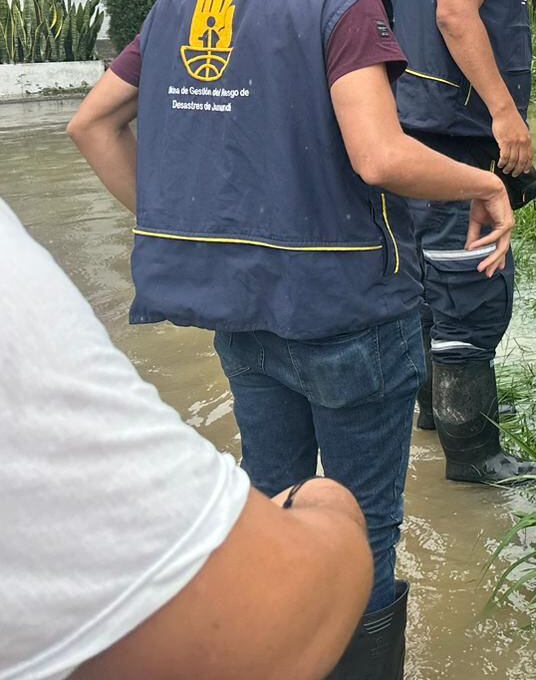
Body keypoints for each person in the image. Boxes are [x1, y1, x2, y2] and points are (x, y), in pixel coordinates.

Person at [67, 0, 517, 677]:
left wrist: (190, 225)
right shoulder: (341, 2)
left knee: (270, 508)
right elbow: (379, 156)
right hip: (349, 314)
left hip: (241, 317)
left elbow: (92, 125)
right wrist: (482, 184)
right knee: (363, 534)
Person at [0, 198, 372, 680]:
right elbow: (378, 163)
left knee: (264, 487)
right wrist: (326, 499)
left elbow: (106, 148)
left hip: (239, 304)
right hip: (347, 297)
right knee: (367, 520)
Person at [386, 0, 536, 484]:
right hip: (456, 136)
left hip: (415, 133)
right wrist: (506, 114)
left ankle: (435, 412)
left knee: (431, 283)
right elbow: (455, 15)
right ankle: (475, 455)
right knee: (470, 285)